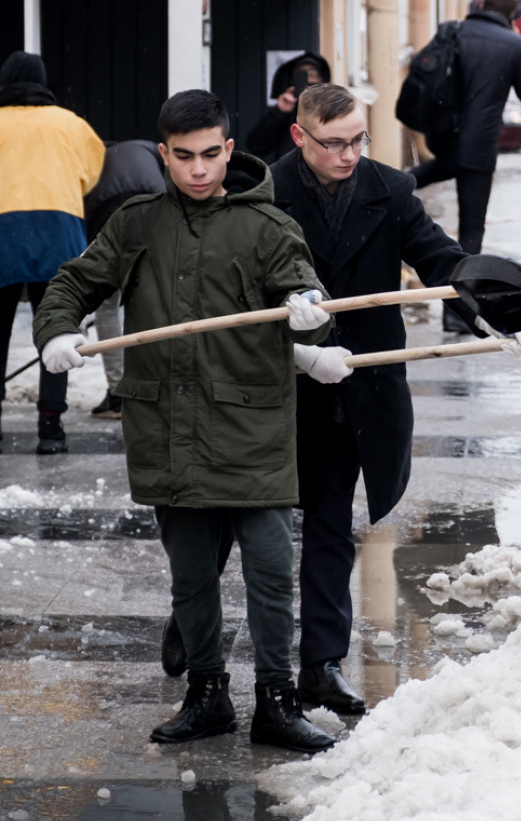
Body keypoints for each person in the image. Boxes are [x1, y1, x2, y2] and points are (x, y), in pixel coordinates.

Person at [33, 89, 336, 753]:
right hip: (169, 430)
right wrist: (57, 328)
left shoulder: (267, 226)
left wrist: (308, 307)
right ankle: (207, 697)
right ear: (163, 153)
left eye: (210, 155)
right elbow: (74, 282)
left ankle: (277, 703)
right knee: (191, 578)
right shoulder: (138, 223)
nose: (199, 171)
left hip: (253, 430)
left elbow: (300, 283)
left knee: (268, 572)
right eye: (184, 157)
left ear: (229, 149)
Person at [160, 82, 474, 715]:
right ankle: (192, 628)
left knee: (331, 526)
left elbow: (439, 259)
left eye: (359, 139)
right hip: (268, 392)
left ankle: (321, 665)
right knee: (227, 519)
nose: (349, 154)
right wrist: (296, 345)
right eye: (333, 143)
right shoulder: (260, 195)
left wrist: (485, 304)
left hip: (351, 392)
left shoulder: (391, 191)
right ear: (300, 136)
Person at [0, 51, 105, 454]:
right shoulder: (71, 124)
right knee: (57, 327)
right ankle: (51, 427)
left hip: (3, 232)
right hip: (56, 230)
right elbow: (92, 173)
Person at [412, 0, 521, 286]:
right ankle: (458, 310)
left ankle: (392, 187)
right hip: (479, 145)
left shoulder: (455, 31)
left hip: (443, 136)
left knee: (435, 169)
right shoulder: (515, 45)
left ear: (482, 5)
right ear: (510, 15)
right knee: (470, 230)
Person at [83, 140, 166, 419]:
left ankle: (119, 393)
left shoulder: (94, 158)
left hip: (106, 215)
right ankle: (162, 387)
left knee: (106, 307)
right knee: (157, 299)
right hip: (155, 209)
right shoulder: (149, 149)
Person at [245, 51, 331, 165]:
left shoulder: (331, 110)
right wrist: (279, 112)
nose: (308, 81)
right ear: (293, 81)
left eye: (312, 75)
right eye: (302, 75)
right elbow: (256, 146)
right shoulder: (286, 113)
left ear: (322, 80)